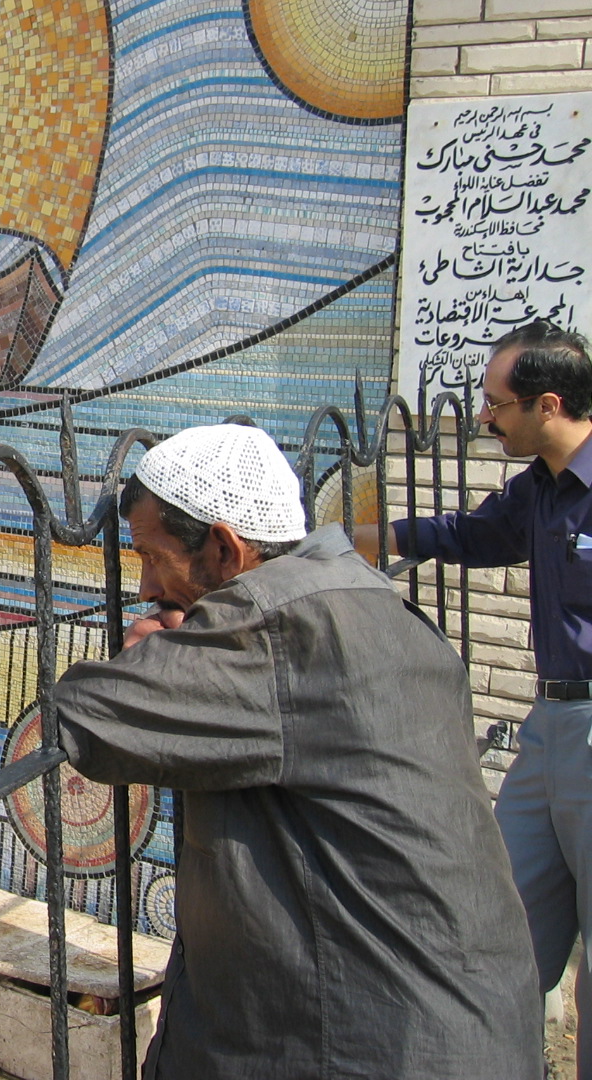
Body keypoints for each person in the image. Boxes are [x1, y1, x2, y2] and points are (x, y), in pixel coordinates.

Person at [53, 423, 540, 1079]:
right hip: (468, 1026)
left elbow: (86, 717)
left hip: (379, 1047)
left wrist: (149, 660)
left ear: (225, 548)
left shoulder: (274, 629)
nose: (142, 585)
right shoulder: (358, 595)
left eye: (150, 555)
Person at [358, 320, 592, 1073]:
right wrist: (368, 540)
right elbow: (475, 533)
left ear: (548, 404)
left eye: (497, 404)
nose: (485, 417)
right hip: (551, 724)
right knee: (503, 925)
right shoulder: (543, 487)